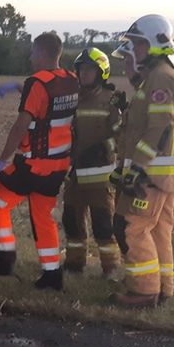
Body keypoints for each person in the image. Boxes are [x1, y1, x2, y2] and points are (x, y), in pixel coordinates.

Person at [0, 32, 78, 291]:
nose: (30, 56)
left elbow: (21, 125)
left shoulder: (37, 82)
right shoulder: (70, 80)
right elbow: (49, 99)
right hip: (58, 165)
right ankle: (52, 274)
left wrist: (2, 160)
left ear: (43, 53)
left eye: (33, 52)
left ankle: (5, 257)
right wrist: (17, 88)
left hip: (33, 165)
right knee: (42, 215)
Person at [108, 14, 174, 308]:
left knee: (131, 226)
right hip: (162, 174)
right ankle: (163, 287)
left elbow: (159, 127)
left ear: (155, 43)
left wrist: (138, 167)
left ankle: (143, 291)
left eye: (138, 44)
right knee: (158, 230)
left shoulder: (159, 77)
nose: (136, 50)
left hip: (152, 174)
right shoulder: (163, 75)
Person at [61, 47, 125, 277]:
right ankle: (74, 263)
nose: (84, 74)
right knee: (71, 220)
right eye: (81, 69)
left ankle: (110, 266)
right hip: (75, 174)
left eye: (89, 69)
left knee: (103, 224)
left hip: (100, 175)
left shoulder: (111, 101)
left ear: (101, 73)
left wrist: (101, 149)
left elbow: (121, 136)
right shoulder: (73, 100)